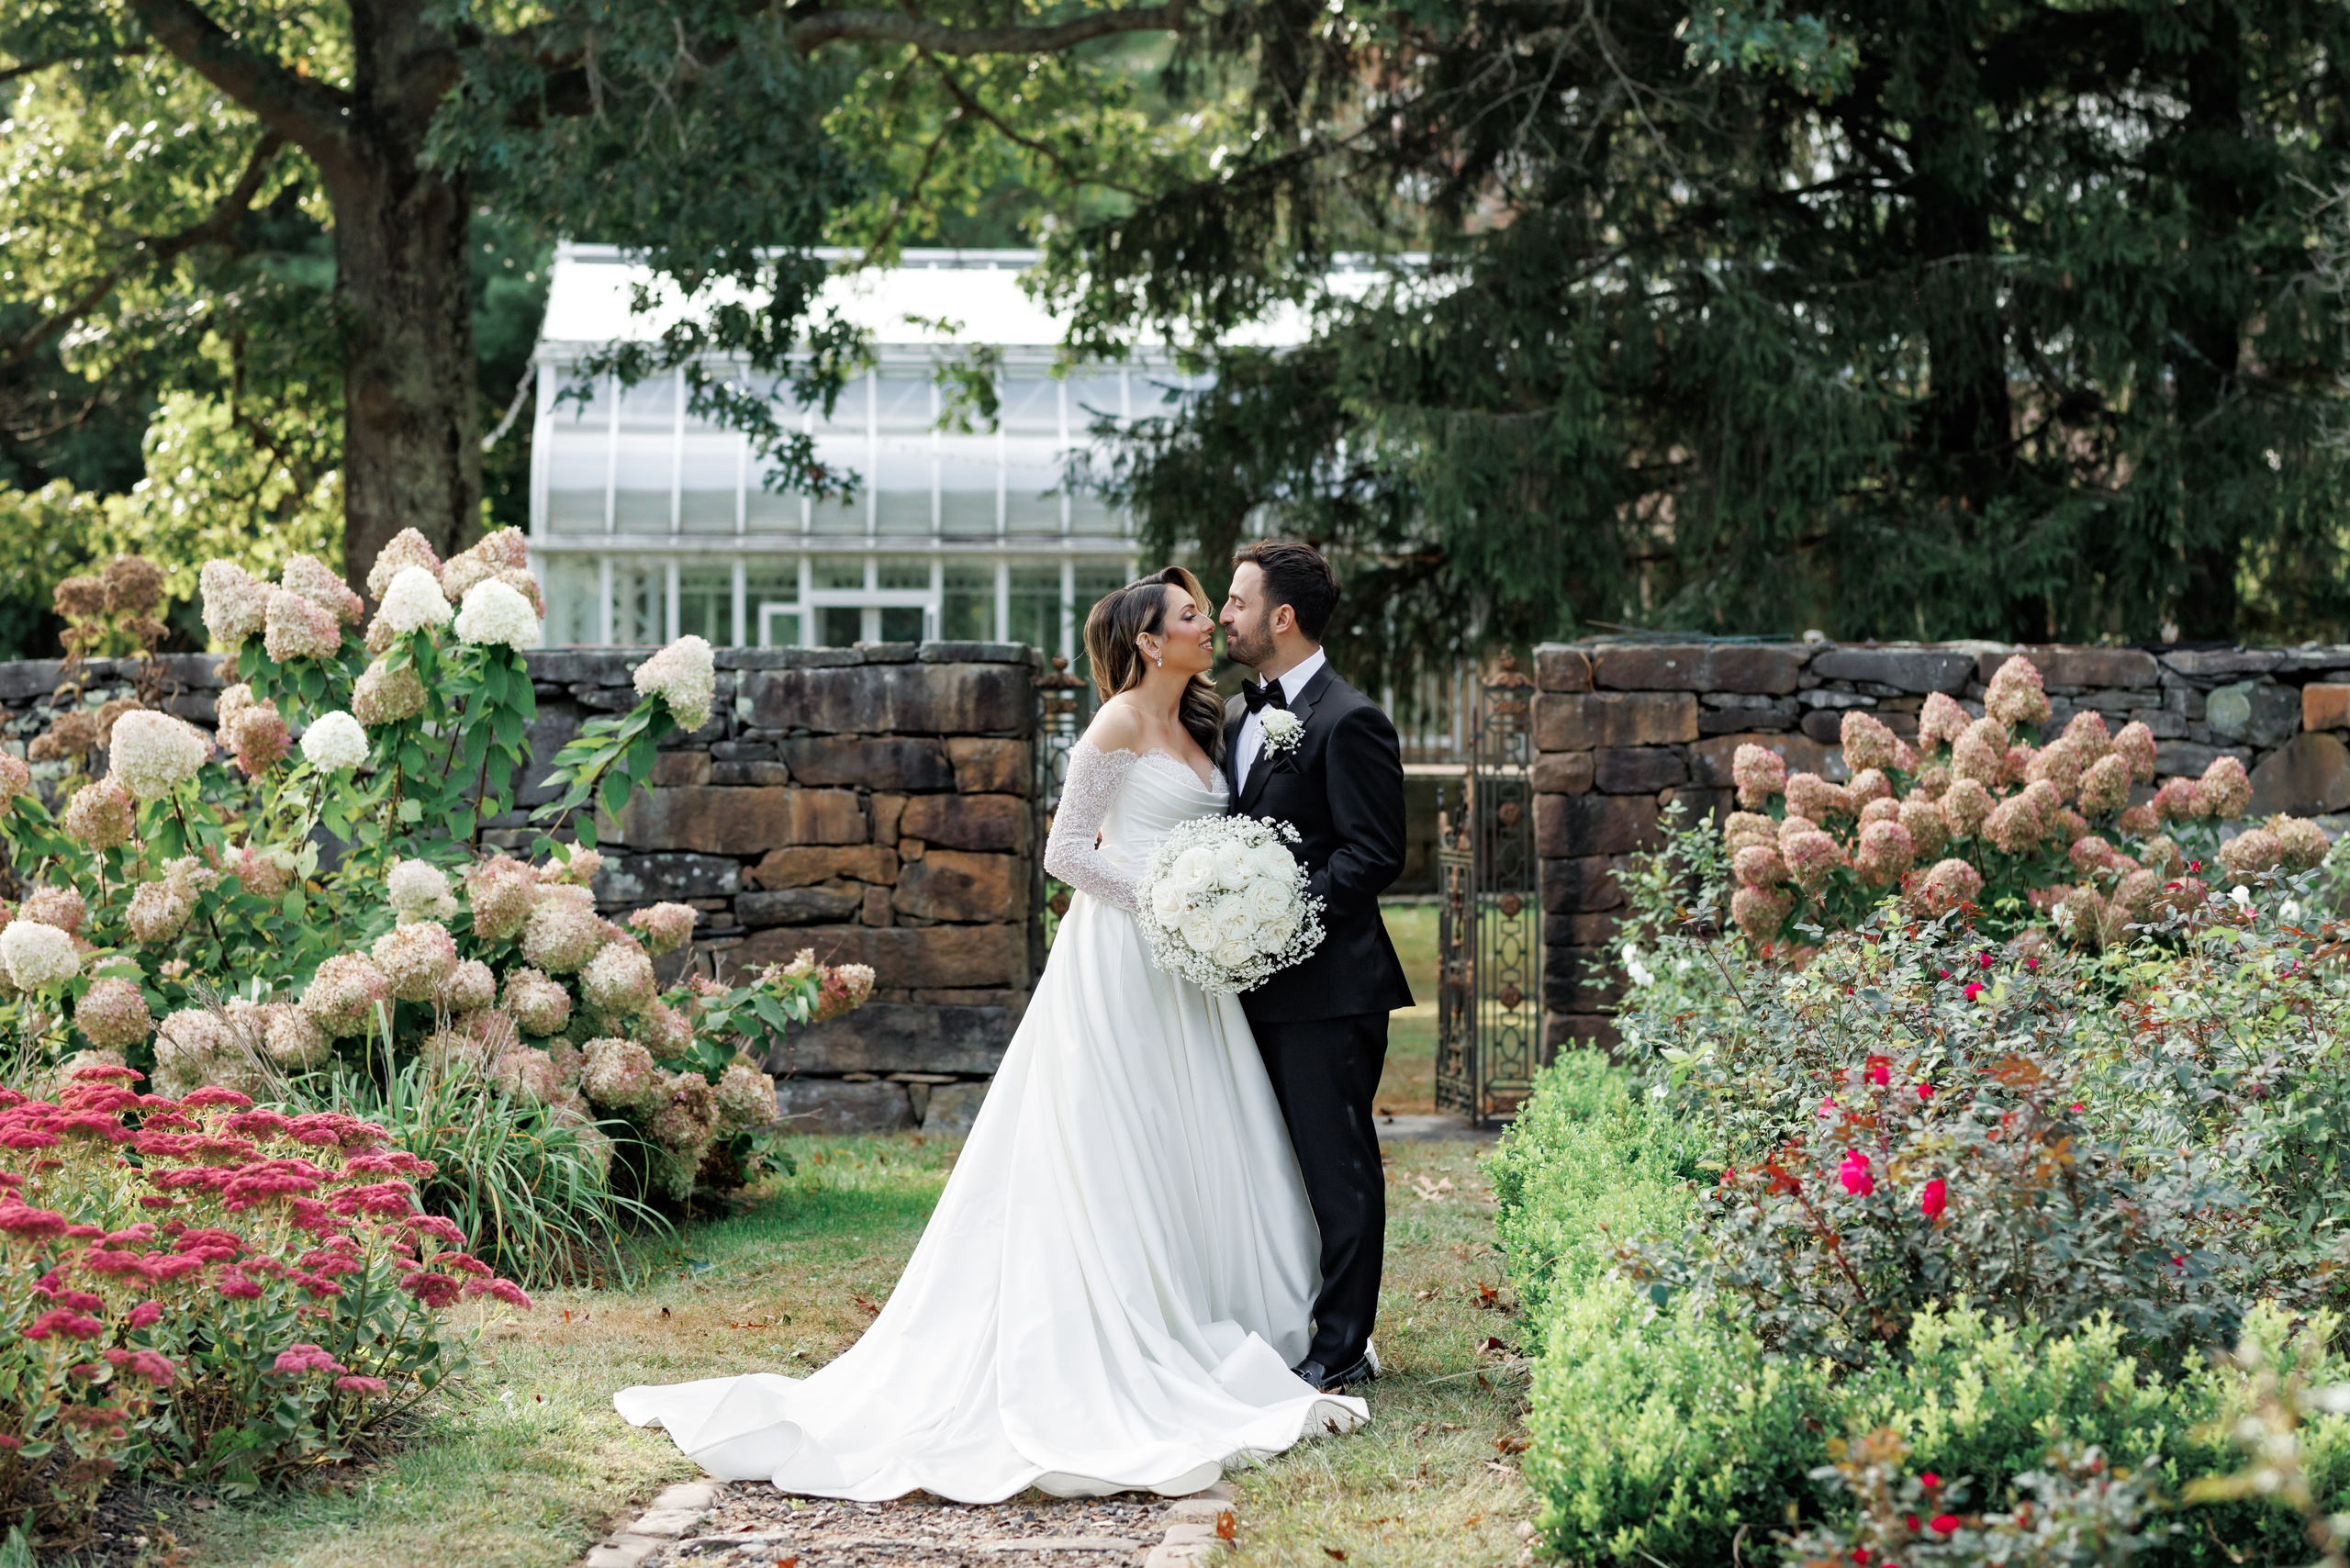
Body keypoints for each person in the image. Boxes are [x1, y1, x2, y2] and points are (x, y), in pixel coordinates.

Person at [612, 566, 1364, 1502]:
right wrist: (1164, 907)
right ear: (1145, 639)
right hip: (1124, 958)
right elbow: (1063, 851)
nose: (1208, 623)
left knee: (1196, 1131)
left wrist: (1206, 913)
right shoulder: (1119, 721)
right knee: (1115, 1138)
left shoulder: (1210, 721)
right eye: (1189, 615)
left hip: (1189, 970)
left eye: (1209, 611)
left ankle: (1225, 1309)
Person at [1219, 540, 1412, 1394]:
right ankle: (1285, 1317)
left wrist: (1278, 916)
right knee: (1263, 1162)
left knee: (1336, 1166)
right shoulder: (1234, 716)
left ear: (1281, 617)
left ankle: (1340, 1348)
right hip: (1246, 986)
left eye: (1235, 601)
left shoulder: (1351, 718)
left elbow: (1374, 853)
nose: (1225, 616)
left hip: (1330, 985)